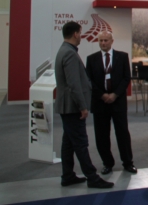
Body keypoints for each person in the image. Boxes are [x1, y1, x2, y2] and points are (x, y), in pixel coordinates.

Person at [54, 21, 113, 189]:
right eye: (80, 33)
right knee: (80, 143)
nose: (81, 36)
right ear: (75, 34)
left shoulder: (63, 50)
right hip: (73, 107)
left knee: (69, 143)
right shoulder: (70, 54)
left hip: (67, 106)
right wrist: (83, 106)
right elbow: (74, 84)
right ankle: (92, 177)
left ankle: (67, 175)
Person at [86, 31, 137, 175]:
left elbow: (126, 78)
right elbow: (89, 81)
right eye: (101, 40)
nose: (103, 43)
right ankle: (107, 163)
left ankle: (128, 162)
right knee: (101, 135)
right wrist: (102, 95)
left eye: (106, 40)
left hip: (118, 102)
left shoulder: (122, 57)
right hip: (99, 103)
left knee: (122, 133)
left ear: (112, 41)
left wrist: (115, 94)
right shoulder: (91, 59)